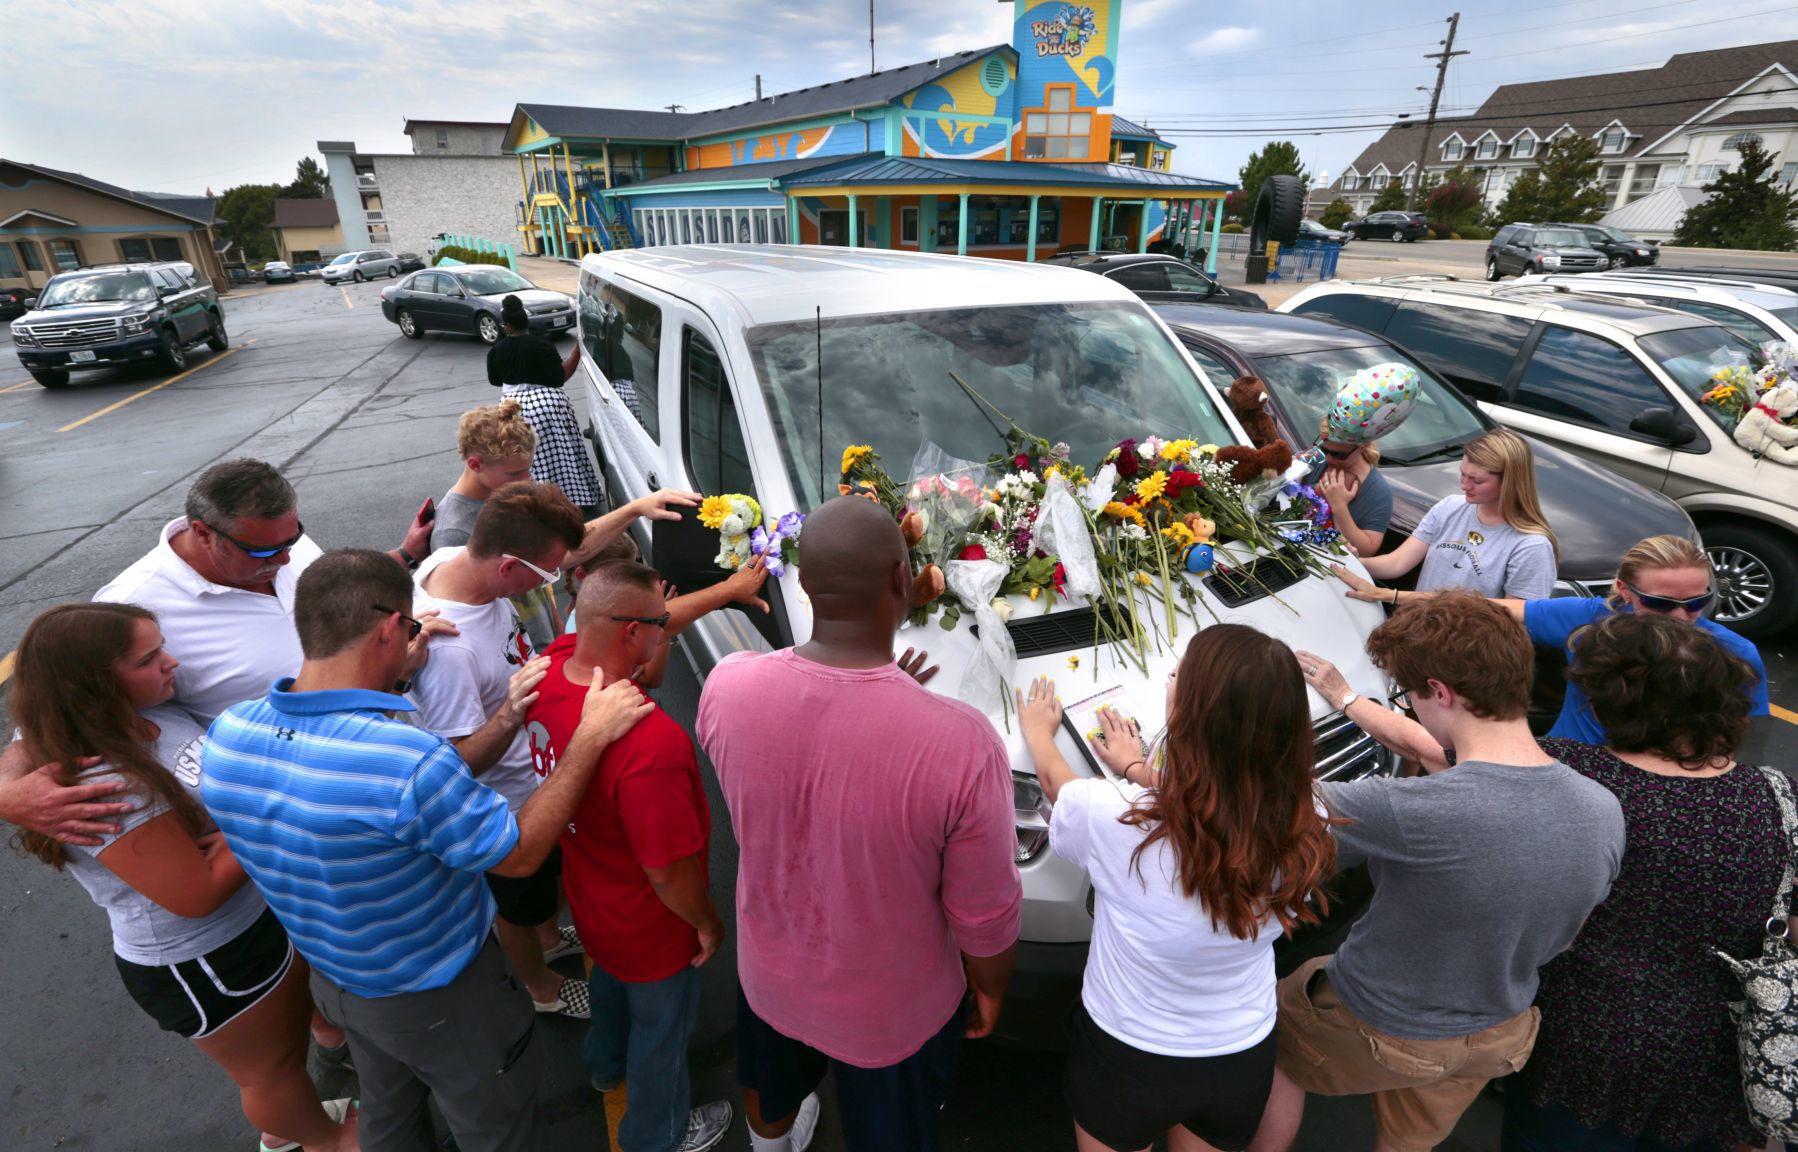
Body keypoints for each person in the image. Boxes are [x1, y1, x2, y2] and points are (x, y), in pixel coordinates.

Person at [201, 548, 653, 1152]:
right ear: (390, 629)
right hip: (442, 994)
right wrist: (590, 737)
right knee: (495, 1123)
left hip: (342, 980)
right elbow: (515, 855)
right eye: (410, 627)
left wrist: (405, 674)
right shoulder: (404, 761)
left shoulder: (231, 733)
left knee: (391, 1109)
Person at [0, 458, 442, 1060]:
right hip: (284, 813)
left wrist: (400, 574)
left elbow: (324, 603)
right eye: (266, 553)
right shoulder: (134, 605)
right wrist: (7, 793)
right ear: (203, 531)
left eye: (292, 539)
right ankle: (338, 1046)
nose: (285, 560)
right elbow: (47, 722)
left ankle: (346, 1032)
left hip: (357, 775)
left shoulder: (277, 538)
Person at [696, 496, 1022, 1152]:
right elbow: (983, 915)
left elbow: (808, 758)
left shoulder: (727, 688)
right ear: (903, 583)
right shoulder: (961, 743)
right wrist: (989, 990)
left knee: (771, 1094)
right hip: (893, 1015)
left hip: (769, 979)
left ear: (806, 584)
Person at [1248, 591, 1625, 1152]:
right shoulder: (1602, 807)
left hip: (1384, 1022)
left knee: (1267, 1041)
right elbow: (1436, 750)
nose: (1413, 707)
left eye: (1411, 696)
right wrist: (1345, 696)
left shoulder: (1406, 810)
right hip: (1499, 1030)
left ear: (1442, 693)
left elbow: (1257, 811)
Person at [11, 603, 359, 1152]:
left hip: (248, 927)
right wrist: (264, 814)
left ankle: (296, 1123)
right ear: (95, 685)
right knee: (270, 1071)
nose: (171, 663)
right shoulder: (107, 788)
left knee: (284, 1054)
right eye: (149, 658)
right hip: (207, 957)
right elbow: (195, 894)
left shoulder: (150, 713)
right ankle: (325, 1142)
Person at [1014, 624, 1339, 1152]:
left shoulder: (1114, 819)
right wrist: (1141, 769)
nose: (1169, 677)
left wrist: (1038, 733)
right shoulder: (1311, 814)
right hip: (1241, 1052)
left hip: (1128, 1053)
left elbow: (1058, 787)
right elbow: (1228, 800)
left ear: (1194, 717)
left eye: (1180, 679)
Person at [1495, 613, 1784, 1151]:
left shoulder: (1567, 772)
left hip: (1577, 1041)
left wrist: (1349, 698)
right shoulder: (1779, 797)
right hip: (1714, 1051)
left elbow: (1448, 752)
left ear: (1607, 700)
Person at [526, 561, 735, 1152]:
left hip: (593, 905)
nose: (665, 631)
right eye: (661, 625)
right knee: (662, 1037)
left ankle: (601, 1064)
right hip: (652, 928)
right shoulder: (650, 741)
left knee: (611, 998)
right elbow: (667, 871)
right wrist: (707, 923)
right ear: (630, 634)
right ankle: (659, 1134)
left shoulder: (551, 668)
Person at [408, 481, 588, 1019]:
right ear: (510, 567)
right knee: (515, 901)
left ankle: (550, 938)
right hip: (506, 806)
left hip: (529, 779)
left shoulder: (449, 558)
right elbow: (454, 765)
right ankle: (541, 987)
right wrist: (511, 711)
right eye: (547, 574)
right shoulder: (449, 650)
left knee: (538, 896)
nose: (551, 585)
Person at [1330, 428, 1557, 604]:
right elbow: (1397, 562)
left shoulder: (1531, 546)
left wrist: (1389, 595)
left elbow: (1514, 616)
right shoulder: (1450, 507)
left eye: (1476, 480)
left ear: (1509, 482)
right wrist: (1349, 563)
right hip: (1416, 633)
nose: (1464, 485)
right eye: (1463, 474)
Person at [488, 294, 601, 514]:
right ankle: (576, 496)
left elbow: (495, 380)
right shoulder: (542, 345)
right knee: (565, 452)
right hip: (550, 404)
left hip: (513, 407)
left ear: (507, 325)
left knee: (530, 457)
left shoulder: (497, 350)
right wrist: (578, 349)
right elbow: (560, 376)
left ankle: (537, 503)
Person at [430, 399, 538, 552]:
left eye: (528, 469)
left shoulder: (503, 490)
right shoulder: (454, 534)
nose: (527, 480)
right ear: (475, 465)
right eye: (514, 474)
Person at [1310, 419, 1393, 557]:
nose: (1328, 459)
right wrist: (1314, 493)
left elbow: (1367, 550)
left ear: (1361, 448)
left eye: (1338, 454)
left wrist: (1339, 505)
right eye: (1324, 449)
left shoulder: (1378, 491)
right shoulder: (1315, 458)